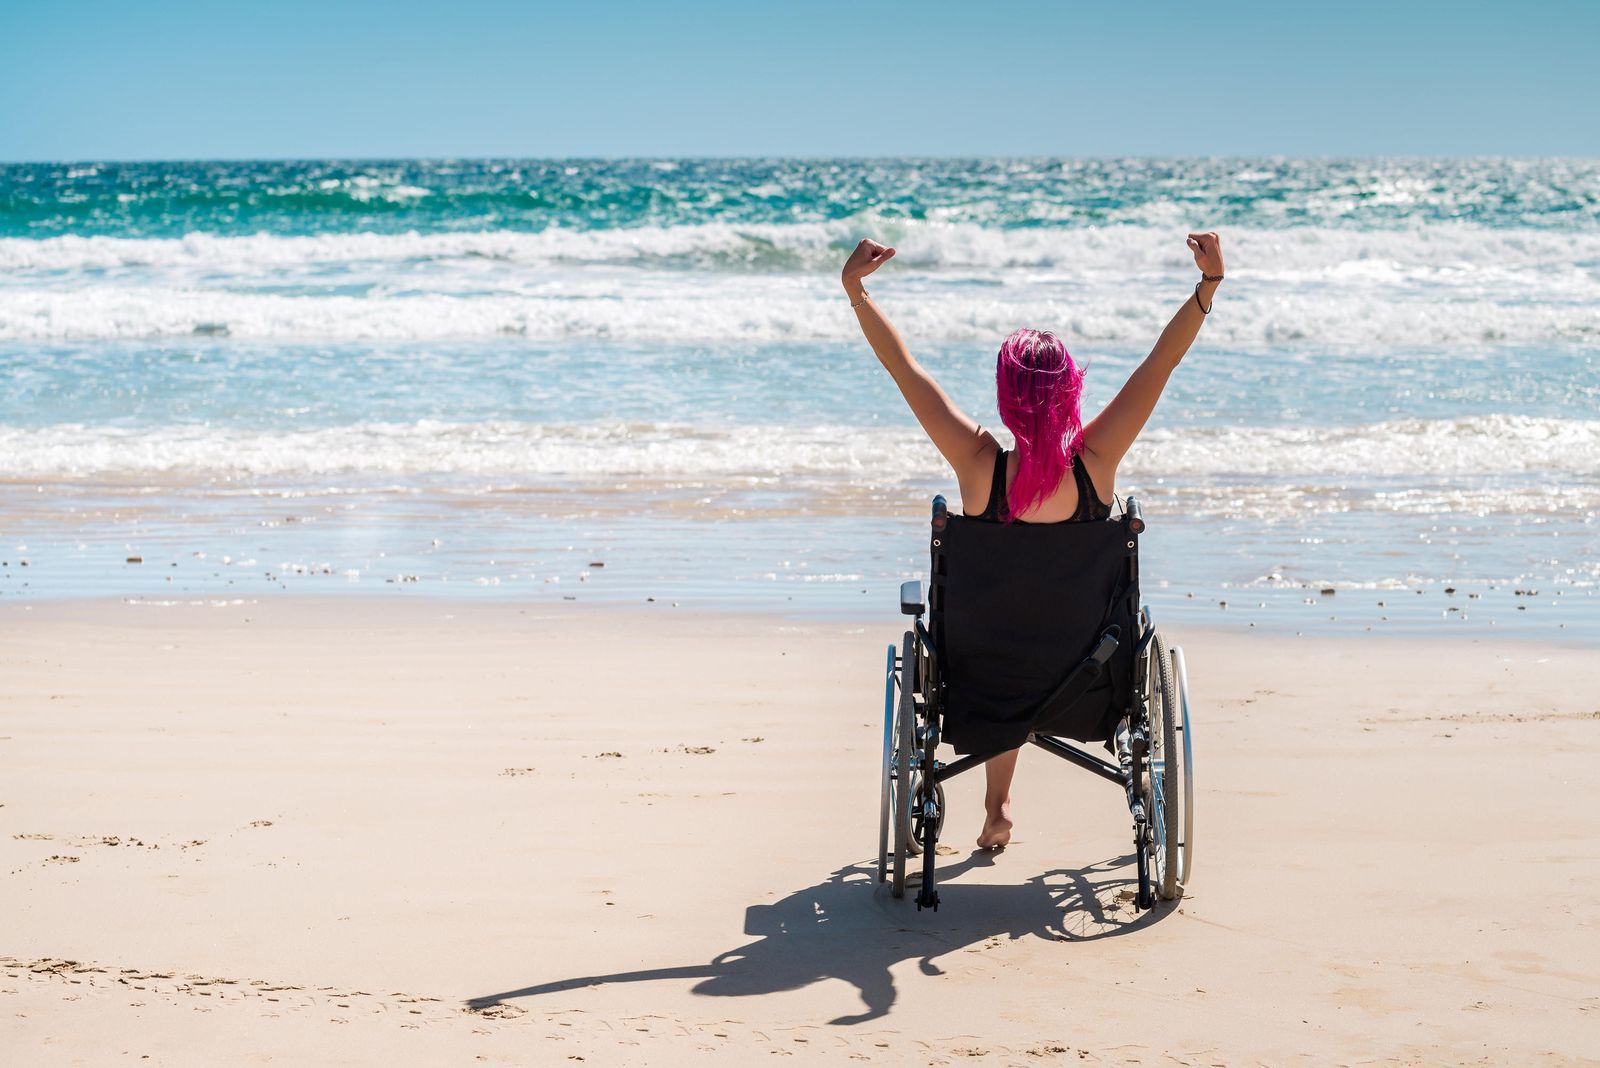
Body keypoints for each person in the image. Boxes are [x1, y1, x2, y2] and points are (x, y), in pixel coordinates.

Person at [842, 231, 1225, 850]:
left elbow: (902, 368)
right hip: (1089, 683)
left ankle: (997, 808)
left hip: (980, 679)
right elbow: (1161, 363)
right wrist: (1207, 288)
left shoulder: (977, 465)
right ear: (1070, 387)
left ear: (1006, 396)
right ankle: (1000, 804)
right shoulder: (1097, 461)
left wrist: (855, 291)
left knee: (1005, 635)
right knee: (1038, 634)